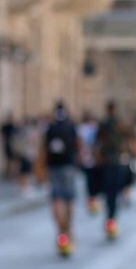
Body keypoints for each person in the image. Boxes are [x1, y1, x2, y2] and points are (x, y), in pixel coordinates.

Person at [43, 102, 80, 256]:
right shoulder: (71, 127)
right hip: (68, 166)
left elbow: (44, 149)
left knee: (56, 198)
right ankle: (68, 229)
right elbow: (78, 145)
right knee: (69, 198)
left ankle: (60, 231)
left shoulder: (50, 128)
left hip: (53, 167)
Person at [94, 101, 132, 239]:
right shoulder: (119, 123)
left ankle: (110, 217)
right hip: (116, 161)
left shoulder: (104, 123)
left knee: (109, 191)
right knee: (116, 190)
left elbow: (97, 142)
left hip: (107, 162)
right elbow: (127, 140)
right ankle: (112, 218)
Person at [77, 110, 100, 213]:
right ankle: (93, 200)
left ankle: (92, 200)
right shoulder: (93, 127)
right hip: (92, 158)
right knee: (93, 180)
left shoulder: (81, 128)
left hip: (88, 158)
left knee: (89, 181)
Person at [0, 113, 19, 180]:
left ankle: (12, 172)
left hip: (12, 144)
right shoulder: (8, 126)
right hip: (9, 144)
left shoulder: (12, 126)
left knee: (12, 159)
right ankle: (9, 172)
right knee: (9, 159)